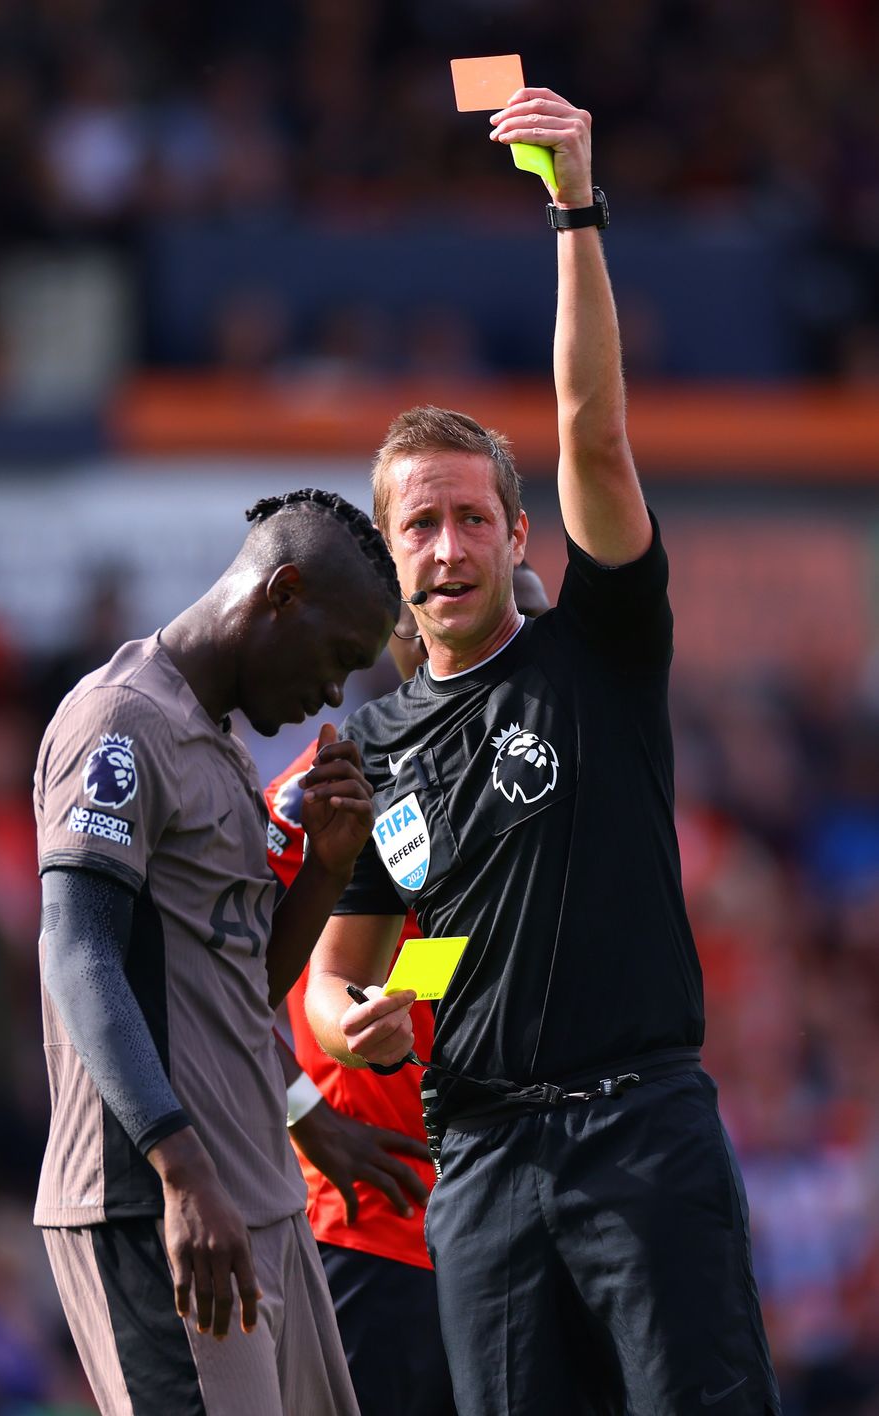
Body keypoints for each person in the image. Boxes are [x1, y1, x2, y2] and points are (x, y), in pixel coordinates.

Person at [304, 90, 782, 1416]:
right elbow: (341, 975)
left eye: (472, 519)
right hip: (483, 1164)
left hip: (641, 1132)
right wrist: (364, 1022)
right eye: (419, 528)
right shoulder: (374, 747)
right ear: (390, 558)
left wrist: (574, 204)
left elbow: (595, 430)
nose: (447, 546)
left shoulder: (599, 651)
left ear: (520, 537)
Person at [32, 488, 399, 1416]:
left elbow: (234, 989)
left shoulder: (222, 749)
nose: (332, 691)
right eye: (337, 659)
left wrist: (326, 871)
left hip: (257, 1196)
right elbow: (78, 952)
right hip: (161, 1201)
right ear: (283, 593)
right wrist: (181, 1171)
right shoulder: (118, 722)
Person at [267, 564, 549, 1416]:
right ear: (410, 639)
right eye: (503, 621)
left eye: (537, 627)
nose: (524, 651)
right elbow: (201, 981)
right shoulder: (321, 789)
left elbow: (442, 963)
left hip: (513, 1225)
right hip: (371, 1223)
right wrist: (299, 1110)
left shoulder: (544, 792)